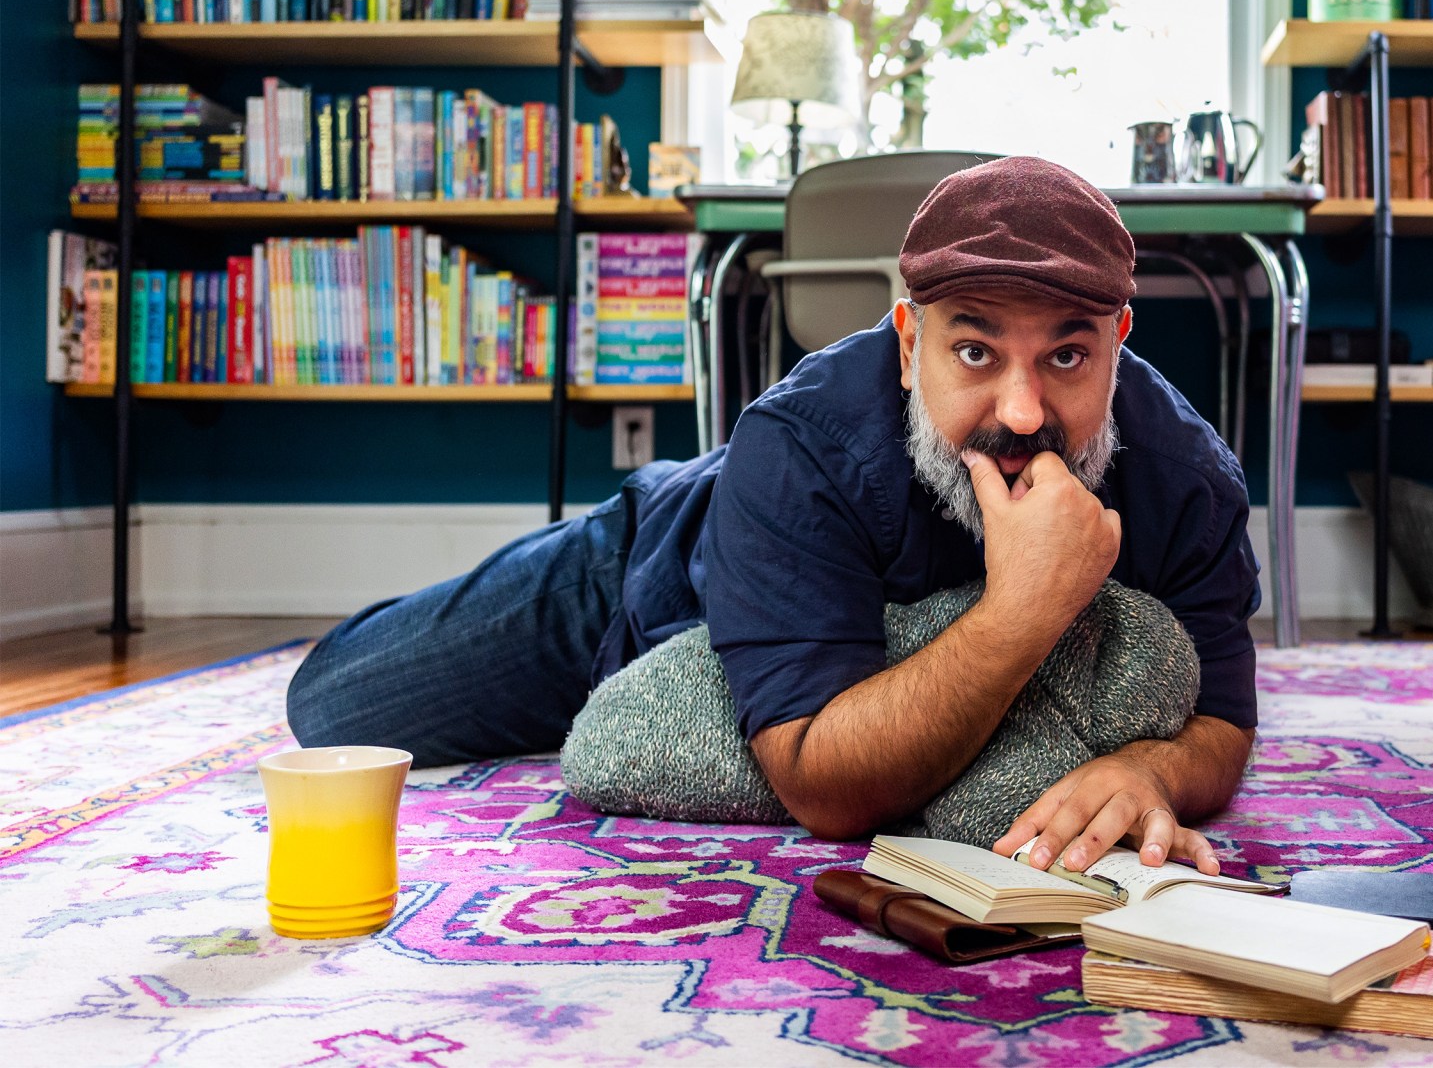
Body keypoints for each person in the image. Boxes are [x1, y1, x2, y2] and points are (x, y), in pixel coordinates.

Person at [287, 156, 1260, 877]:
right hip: (642, 582)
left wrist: (1152, 771)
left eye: (1067, 356)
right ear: (909, 338)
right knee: (334, 709)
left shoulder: (1190, 479)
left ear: (1119, 342)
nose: (1021, 410)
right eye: (975, 352)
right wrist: (1024, 612)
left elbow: (1223, 719)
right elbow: (820, 789)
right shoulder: (802, 445)